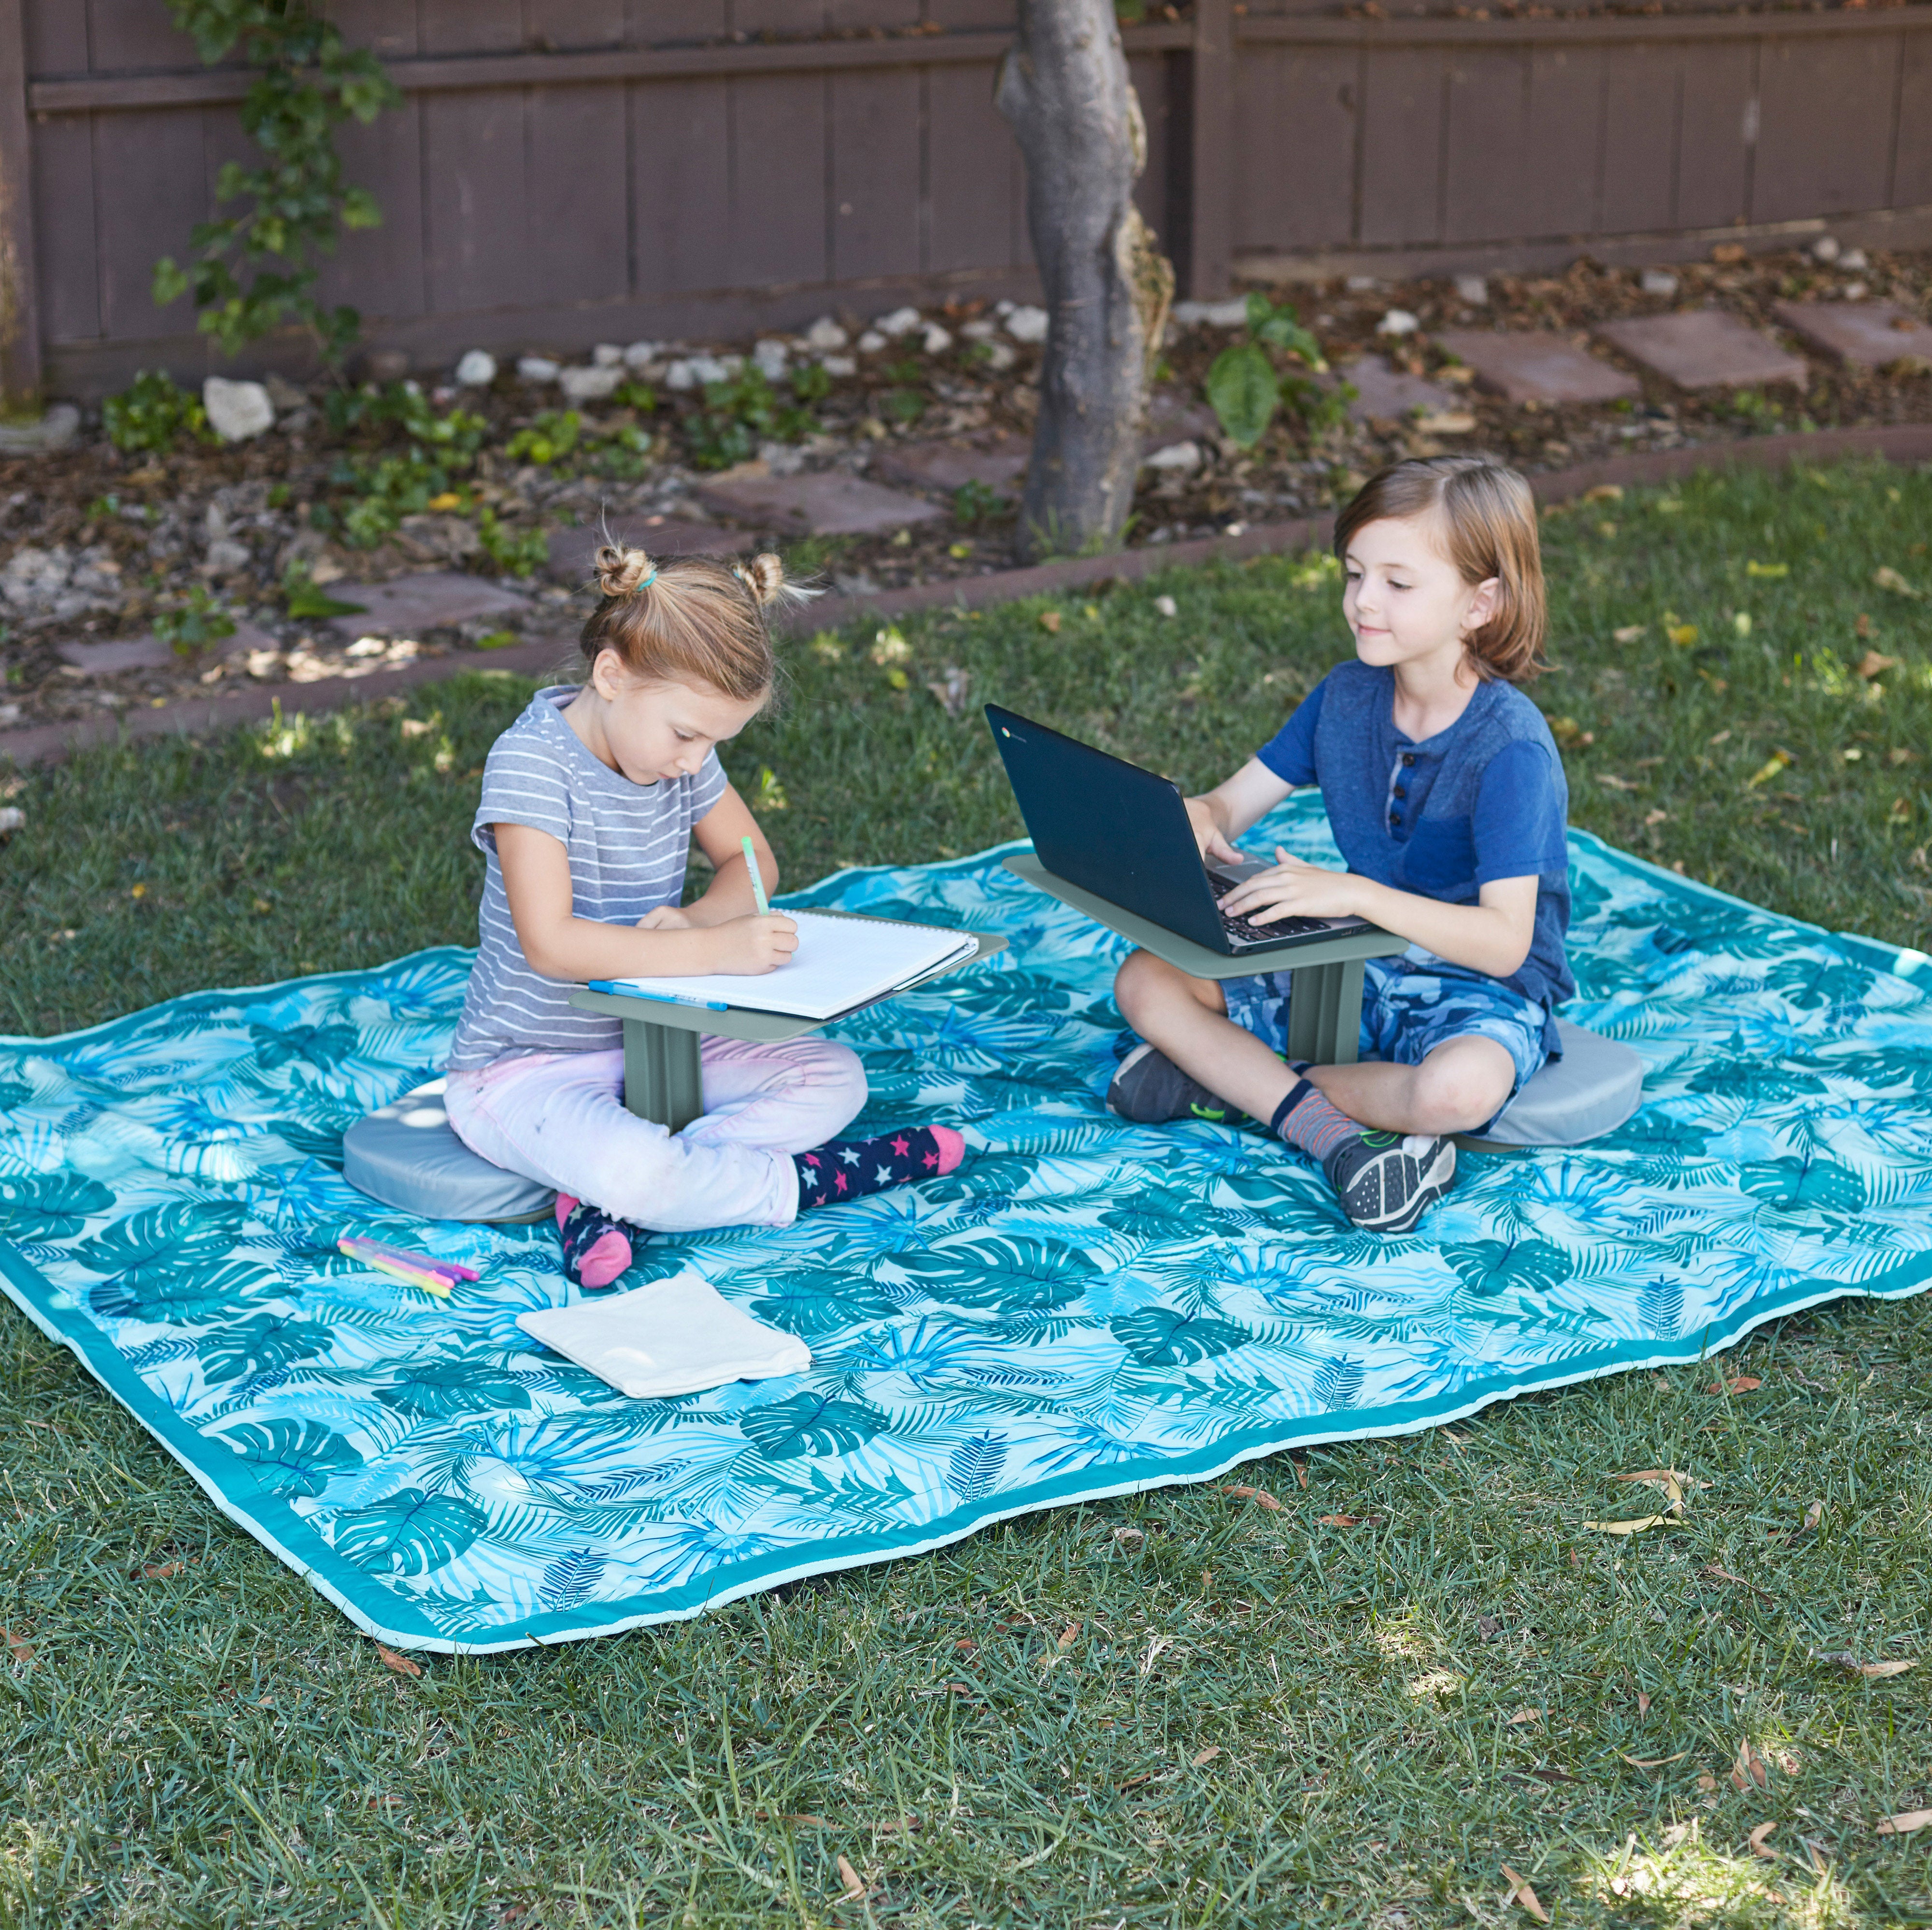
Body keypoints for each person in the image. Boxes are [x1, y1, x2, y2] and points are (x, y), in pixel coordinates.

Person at [442, 544, 964, 1289]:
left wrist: (695, 925)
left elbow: (752, 866)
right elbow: (552, 945)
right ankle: (806, 1183)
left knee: (836, 1078)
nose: (696, 760)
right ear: (612, 675)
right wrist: (712, 951)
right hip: (527, 1067)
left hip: (667, 1040)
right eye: (688, 735)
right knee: (638, 1168)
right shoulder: (531, 764)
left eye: (716, 742)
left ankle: (606, 1202)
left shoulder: (677, 755)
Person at [1108, 455, 1573, 1234]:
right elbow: (1233, 802)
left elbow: (1503, 944)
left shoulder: (1511, 748)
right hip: (1354, 965)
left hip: (1480, 992)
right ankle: (1328, 1131)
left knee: (1456, 1094)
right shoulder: (1346, 696)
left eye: (1398, 583)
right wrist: (1197, 814)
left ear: (1479, 604)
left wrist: (1353, 893)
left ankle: (1237, 1086)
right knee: (1146, 981)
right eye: (1354, 574)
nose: (1363, 602)